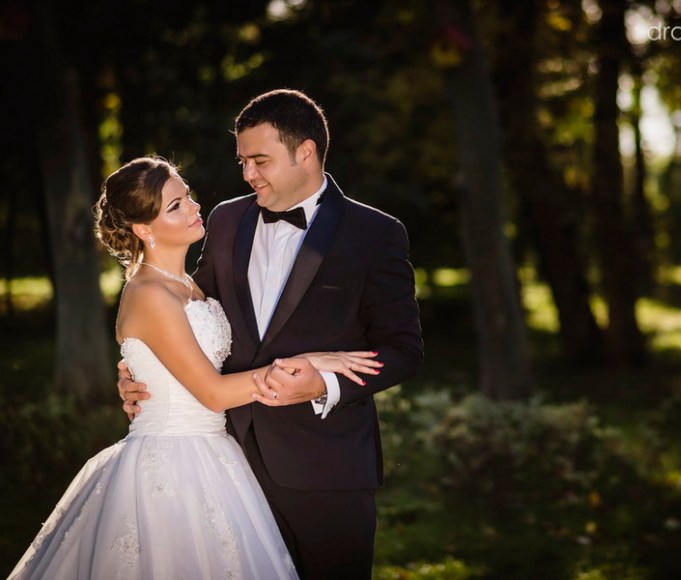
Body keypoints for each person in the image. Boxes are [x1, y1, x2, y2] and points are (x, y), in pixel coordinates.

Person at [9, 156, 381, 579]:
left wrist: (135, 371)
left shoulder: (189, 283)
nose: (193, 208)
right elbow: (214, 393)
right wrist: (310, 361)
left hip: (218, 454)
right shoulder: (149, 292)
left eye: (187, 197)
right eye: (175, 206)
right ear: (142, 229)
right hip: (172, 464)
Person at [119, 89, 424, 579]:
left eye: (260, 160)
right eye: (242, 161)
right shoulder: (225, 219)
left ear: (305, 152)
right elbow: (191, 312)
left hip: (328, 470)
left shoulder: (375, 233)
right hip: (224, 469)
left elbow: (404, 350)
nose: (247, 174)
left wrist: (326, 383)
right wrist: (139, 371)